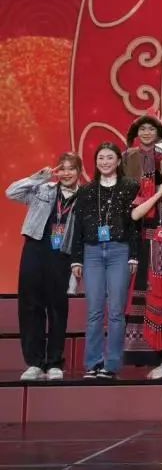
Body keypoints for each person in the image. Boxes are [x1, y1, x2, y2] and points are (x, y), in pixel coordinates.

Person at [7, 153, 82, 381]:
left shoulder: (85, 196)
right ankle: (34, 363)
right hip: (35, 247)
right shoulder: (44, 189)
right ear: (57, 171)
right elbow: (11, 192)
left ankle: (54, 362)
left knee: (57, 308)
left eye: (72, 169)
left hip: (62, 253)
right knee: (30, 305)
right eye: (63, 169)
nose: (67, 173)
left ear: (79, 172)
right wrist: (37, 177)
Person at [70, 142, 140, 379]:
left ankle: (112, 366)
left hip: (120, 250)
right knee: (94, 311)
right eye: (101, 158)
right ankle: (93, 363)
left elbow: (135, 224)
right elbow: (78, 227)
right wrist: (76, 260)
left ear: (118, 161)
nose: (105, 162)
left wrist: (134, 255)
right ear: (96, 162)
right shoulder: (86, 190)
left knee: (116, 311)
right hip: (92, 252)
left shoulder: (130, 186)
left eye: (110, 157)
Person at [126, 142, 162, 376]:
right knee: (152, 305)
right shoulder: (149, 187)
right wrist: (158, 195)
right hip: (150, 252)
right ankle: (159, 361)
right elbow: (135, 214)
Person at [123, 114, 162, 208]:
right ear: (137, 132)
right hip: (132, 206)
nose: (146, 133)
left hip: (161, 205)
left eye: (151, 129)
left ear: (157, 132)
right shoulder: (126, 156)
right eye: (142, 129)